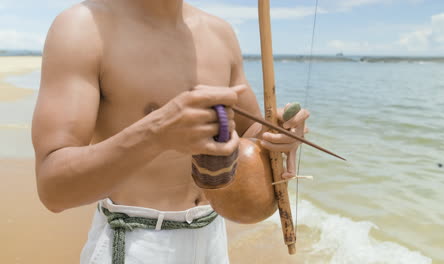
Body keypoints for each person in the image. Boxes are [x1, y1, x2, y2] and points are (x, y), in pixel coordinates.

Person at [32, 0, 310, 263]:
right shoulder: (82, 27)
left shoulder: (220, 32)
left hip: (212, 235)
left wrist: (279, 135)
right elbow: (53, 190)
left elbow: (249, 133)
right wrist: (156, 134)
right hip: (136, 242)